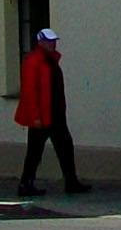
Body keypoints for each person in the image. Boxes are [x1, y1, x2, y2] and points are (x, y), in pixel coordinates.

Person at [13, 29, 88, 197]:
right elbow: (29, 91)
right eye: (49, 41)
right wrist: (35, 116)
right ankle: (26, 184)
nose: (53, 44)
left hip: (55, 114)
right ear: (40, 43)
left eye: (54, 41)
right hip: (42, 115)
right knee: (35, 152)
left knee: (65, 147)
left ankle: (71, 181)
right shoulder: (34, 61)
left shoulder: (51, 60)